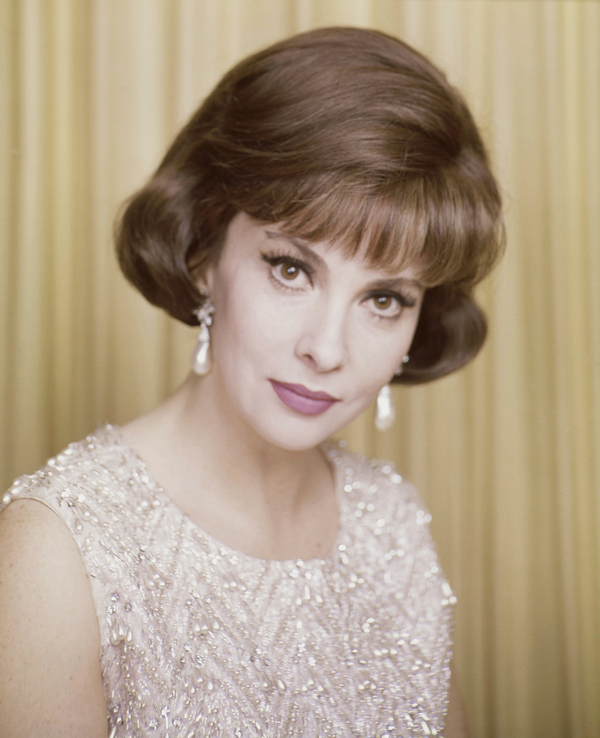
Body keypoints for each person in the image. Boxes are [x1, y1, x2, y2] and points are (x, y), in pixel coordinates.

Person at [0, 27, 503, 738]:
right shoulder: (58, 551)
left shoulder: (390, 523)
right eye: (291, 269)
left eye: (385, 298)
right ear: (204, 252)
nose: (326, 349)